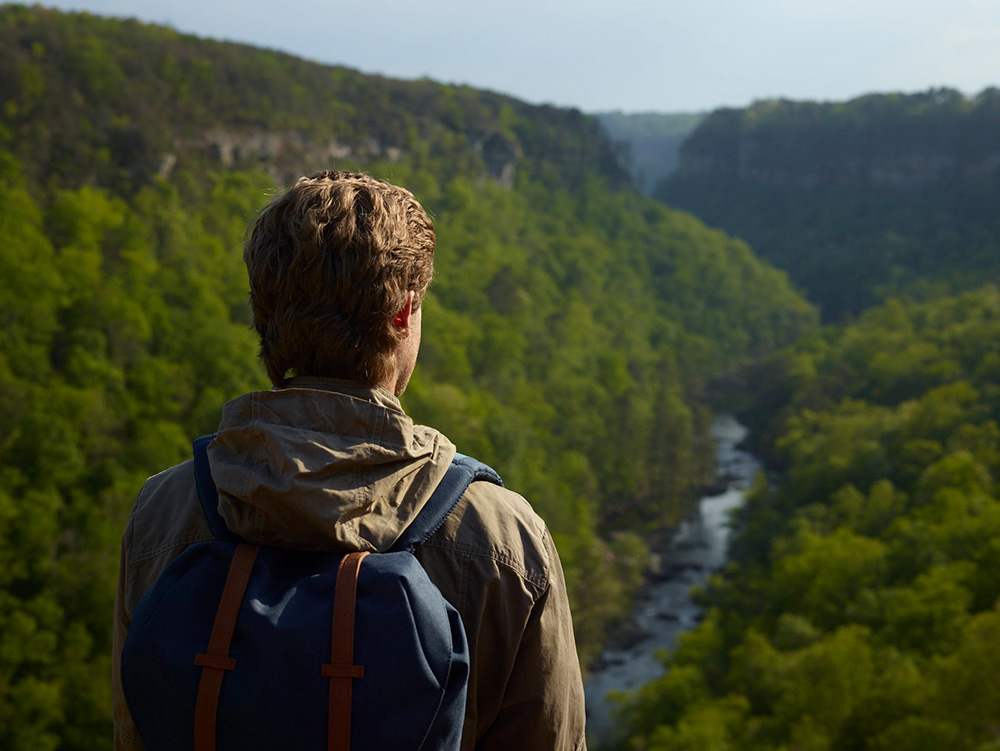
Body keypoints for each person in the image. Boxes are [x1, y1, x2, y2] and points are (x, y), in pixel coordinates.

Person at [111, 171, 588, 751]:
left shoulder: (162, 513)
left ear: (264, 314)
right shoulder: (502, 538)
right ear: (403, 313)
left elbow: (135, 729)